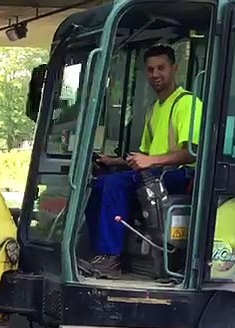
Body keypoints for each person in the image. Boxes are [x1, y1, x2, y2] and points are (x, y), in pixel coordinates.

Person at [83, 45, 203, 276]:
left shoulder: (186, 103)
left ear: (174, 69)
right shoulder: (154, 109)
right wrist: (115, 161)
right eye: (150, 70)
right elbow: (144, 155)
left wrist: (151, 161)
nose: (155, 74)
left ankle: (112, 257)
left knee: (115, 184)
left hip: (179, 174)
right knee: (96, 186)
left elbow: (192, 153)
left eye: (161, 68)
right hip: (155, 173)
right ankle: (100, 252)